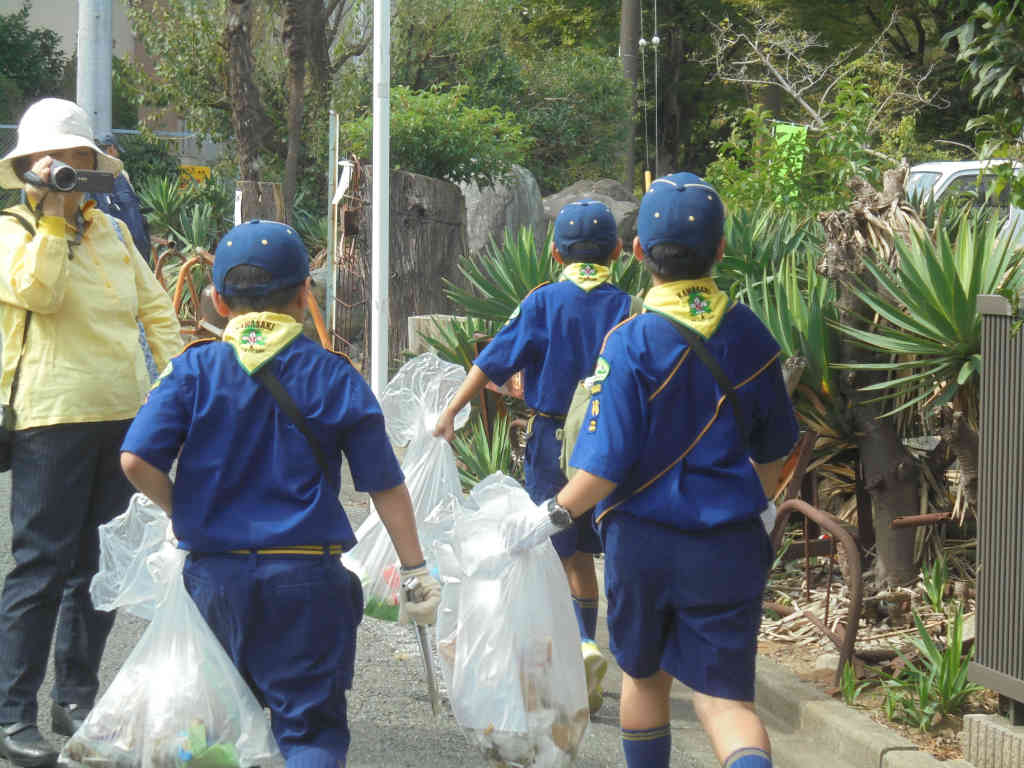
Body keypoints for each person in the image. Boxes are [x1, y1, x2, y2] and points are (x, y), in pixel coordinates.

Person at [119, 219, 441, 768]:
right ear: (303, 294)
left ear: (218, 300)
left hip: (215, 580)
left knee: (210, 734)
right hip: (307, 582)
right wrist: (413, 570)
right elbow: (385, 486)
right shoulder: (336, 376)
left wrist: (182, 510)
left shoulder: (193, 368)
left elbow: (135, 460)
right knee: (309, 732)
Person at [503, 172, 800, 768]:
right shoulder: (752, 336)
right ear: (721, 248)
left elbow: (604, 468)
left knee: (645, 682)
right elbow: (777, 451)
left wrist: (548, 518)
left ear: (637, 253)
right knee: (726, 702)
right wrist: (757, 506)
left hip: (644, 546)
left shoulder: (629, 342)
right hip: (731, 543)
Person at [0, 98, 183, 767]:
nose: (66, 171)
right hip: (52, 417)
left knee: (99, 564)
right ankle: (11, 712)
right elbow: (39, 295)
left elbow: (155, 307)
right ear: (27, 167)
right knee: (42, 565)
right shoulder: (12, 232)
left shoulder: (112, 230)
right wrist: (50, 218)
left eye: (77, 160)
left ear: (94, 165)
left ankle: (75, 697)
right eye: (52, 161)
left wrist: (176, 385)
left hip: (125, 414)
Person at [433, 199, 635, 714]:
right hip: (617, 445)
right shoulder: (631, 307)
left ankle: (571, 652)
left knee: (555, 548)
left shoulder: (543, 302)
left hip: (552, 444)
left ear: (552, 252)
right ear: (617, 251)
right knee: (592, 552)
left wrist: (451, 411)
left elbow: (491, 360)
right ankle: (587, 644)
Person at [92, 134, 152, 265]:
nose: (118, 154)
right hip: (127, 244)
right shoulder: (120, 175)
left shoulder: (87, 177)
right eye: (117, 150)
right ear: (112, 148)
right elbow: (131, 212)